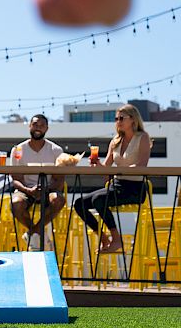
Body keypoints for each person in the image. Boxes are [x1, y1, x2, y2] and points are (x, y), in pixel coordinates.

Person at [74, 104, 151, 253]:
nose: (118, 121)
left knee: (98, 199)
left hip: (134, 188)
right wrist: (97, 164)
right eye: (116, 119)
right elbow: (107, 169)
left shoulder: (143, 137)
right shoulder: (115, 141)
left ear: (133, 119)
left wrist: (117, 171)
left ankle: (116, 240)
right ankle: (104, 238)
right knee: (79, 203)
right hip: (117, 185)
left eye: (121, 118)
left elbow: (142, 166)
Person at [9, 114, 65, 250]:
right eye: (35, 124)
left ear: (46, 128)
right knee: (16, 204)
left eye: (41, 125)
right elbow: (15, 179)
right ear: (29, 126)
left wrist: (46, 189)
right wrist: (29, 191)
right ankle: (39, 233)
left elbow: (59, 179)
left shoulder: (56, 150)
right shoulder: (18, 150)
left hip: (49, 189)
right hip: (26, 190)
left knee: (58, 200)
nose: (38, 128)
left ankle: (33, 232)